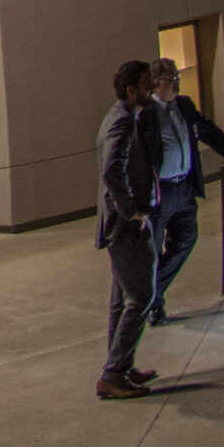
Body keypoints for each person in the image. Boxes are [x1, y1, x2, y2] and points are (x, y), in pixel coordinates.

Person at [146, 58, 224, 326]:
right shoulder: (146, 113)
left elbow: (206, 130)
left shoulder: (184, 105)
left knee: (187, 238)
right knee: (151, 251)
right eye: (170, 78)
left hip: (184, 188)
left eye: (177, 75)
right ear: (155, 83)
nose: (176, 81)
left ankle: (152, 294)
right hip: (160, 192)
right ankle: (154, 305)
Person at [95, 58, 160, 400]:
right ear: (131, 89)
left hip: (118, 226)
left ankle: (121, 364)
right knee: (141, 296)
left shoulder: (117, 116)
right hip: (126, 227)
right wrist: (132, 211)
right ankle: (114, 373)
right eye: (148, 82)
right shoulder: (122, 120)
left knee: (122, 301)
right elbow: (111, 170)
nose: (153, 86)